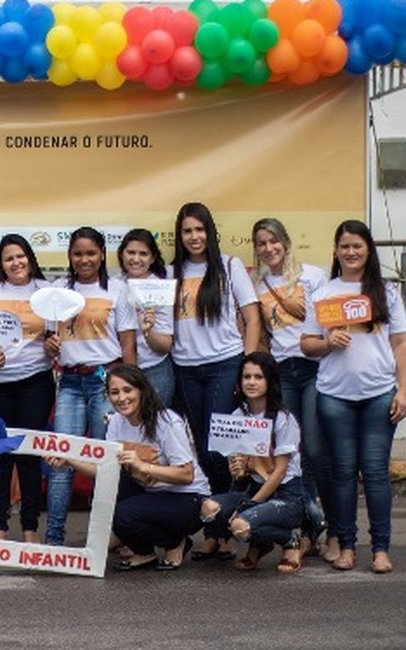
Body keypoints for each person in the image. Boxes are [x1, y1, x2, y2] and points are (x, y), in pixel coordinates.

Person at [301, 220, 406, 574]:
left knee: (376, 472)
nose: (350, 252)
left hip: (380, 394)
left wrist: (404, 390)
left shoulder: (385, 292)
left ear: (368, 251)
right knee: (344, 472)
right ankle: (346, 546)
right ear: (335, 251)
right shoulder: (322, 293)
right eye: (344, 246)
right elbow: (306, 345)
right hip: (334, 396)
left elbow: (401, 342)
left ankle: (381, 549)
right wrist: (326, 342)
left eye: (357, 246)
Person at [50, 364, 209, 571]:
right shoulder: (116, 422)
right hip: (151, 492)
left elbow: (186, 475)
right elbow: (104, 471)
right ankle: (145, 552)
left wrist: (143, 466)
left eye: (128, 390)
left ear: (142, 390)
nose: (122, 398)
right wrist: (70, 460)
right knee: (110, 491)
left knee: (122, 516)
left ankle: (174, 541)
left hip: (187, 497)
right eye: (114, 392)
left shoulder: (167, 421)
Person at [170, 202, 260, 559]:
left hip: (225, 365)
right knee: (202, 453)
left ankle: (228, 523)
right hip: (185, 368)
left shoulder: (229, 266)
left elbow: (252, 318)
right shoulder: (170, 272)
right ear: (180, 236)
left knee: (217, 449)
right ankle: (217, 530)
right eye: (187, 231)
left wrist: (247, 366)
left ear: (210, 232)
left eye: (200, 229)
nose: (194, 237)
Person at [45, 227, 137, 546]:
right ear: (70, 256)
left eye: (91, 253)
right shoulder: (57, 290)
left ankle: (102, 539)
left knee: (106, 462)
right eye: (78, 254)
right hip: (70, 382)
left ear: (102, 254)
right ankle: (54, 540)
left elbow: (127, 342)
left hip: (105, 382)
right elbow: (49, 338)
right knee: (60, 459)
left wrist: (129, 386)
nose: (84, 259)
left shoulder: (118, 289)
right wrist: (50, 345)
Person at [250, 217, 330, 558]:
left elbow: (328, 322)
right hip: (282, 371)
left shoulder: (313, 275)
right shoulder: (258, 285)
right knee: (292, 450)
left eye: (273, 241)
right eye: (261, 244)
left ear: (285, 241)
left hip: (313, 367)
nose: (269, 249)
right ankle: (308, 523)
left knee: (313, 446)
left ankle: (320, 521)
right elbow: (263, 335)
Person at [0, 234, 54, 543]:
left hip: (35, 381)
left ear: (30, 258)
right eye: (9, 259)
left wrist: (52, 345)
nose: (16, 263)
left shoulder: (47, 291)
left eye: (21, 257)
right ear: (1, 264)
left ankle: (30, 529)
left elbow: (54, 334)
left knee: (29, 456)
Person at [199, 352, 306, 573]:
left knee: (240, 525)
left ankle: (289, 541)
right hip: (254, 486)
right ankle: (260, 542)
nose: (251, 382)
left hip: (285, 493)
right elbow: (240, 474)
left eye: (258, 377)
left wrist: (250, 505)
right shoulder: (237, 416)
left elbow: (280, 471)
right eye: (246, 377)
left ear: (270, 381)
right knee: (208, 509)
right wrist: (238, 470)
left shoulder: (283, 419)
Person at [117, 228, 175, 407]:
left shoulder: (160, 288)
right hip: (118, 372)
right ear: (121, 254)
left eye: (143, 254)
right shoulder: (113, 285)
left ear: (153, 258)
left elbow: (164, 347)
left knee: (155, 430)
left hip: (155, 371)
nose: (135, 259)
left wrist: (148, 331)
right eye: (131, 252)